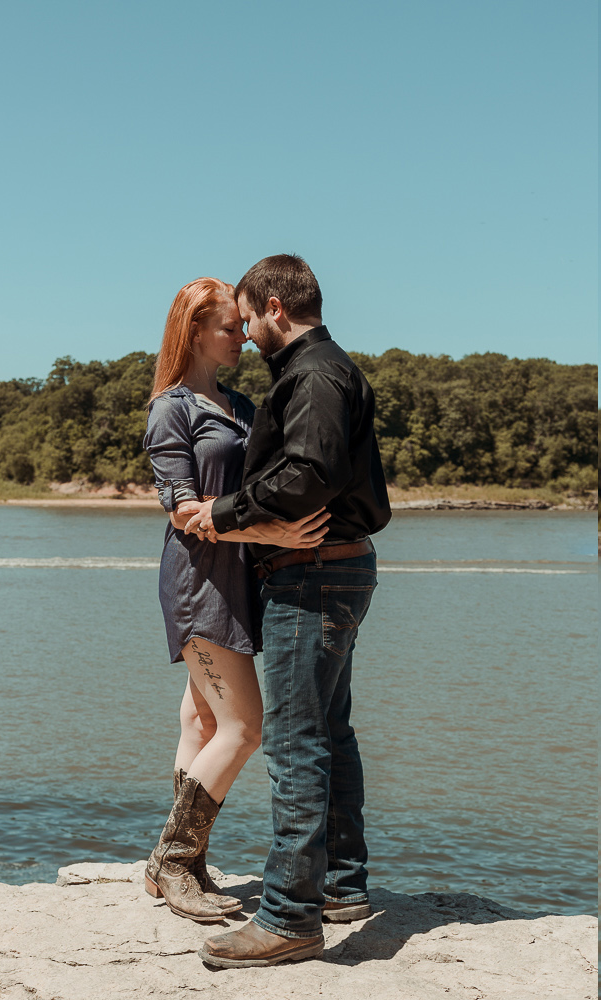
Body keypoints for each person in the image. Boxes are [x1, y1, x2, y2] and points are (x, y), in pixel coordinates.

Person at [176, 255, 393, 968]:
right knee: (329, 731)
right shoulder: (321, 371)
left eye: (247, 319)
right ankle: (340, 885)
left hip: (313, 575)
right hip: (330, 569)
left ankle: (290, 917)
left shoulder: (312, 374)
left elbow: (308, 475)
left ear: (275, 306)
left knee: (298, 743)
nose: (245, 333)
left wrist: (225, 511)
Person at [143, 277, 330, 923]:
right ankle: (173, 862)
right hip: (201, 581)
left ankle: (182, 866)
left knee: (200, 722)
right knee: (244, 727)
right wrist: (268, 531)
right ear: (194, 330)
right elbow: (182, 510)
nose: (242, 339)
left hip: (247, 580)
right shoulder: (172, 408)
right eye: (228, 328)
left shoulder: (244, 405)